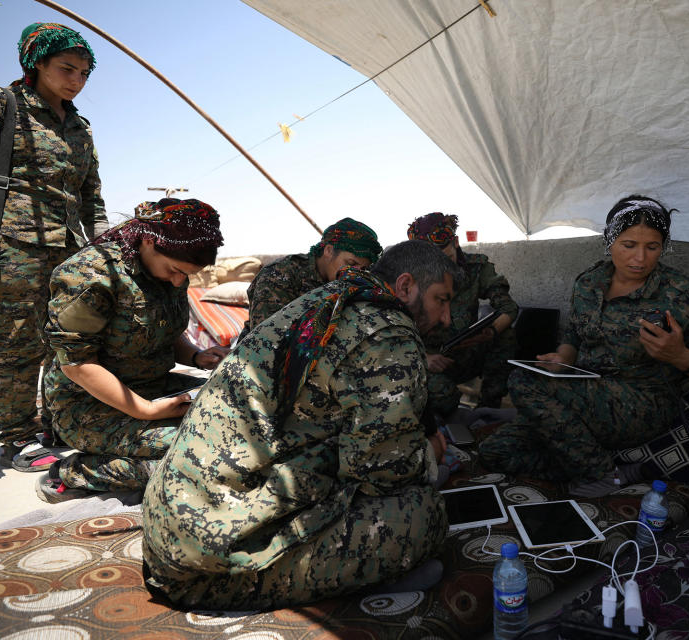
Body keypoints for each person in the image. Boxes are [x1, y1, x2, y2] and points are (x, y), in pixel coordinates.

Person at [142, 240, 463, 611]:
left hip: (175, 526)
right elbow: (384, 472)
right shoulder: (387, 330)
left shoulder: (331, 299)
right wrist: (430, 453)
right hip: (202, 564)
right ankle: (376, 577)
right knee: (424, 515)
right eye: (442, 299)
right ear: (406, 286)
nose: (446, 319)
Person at [478, 195, 689, 496]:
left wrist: (680, 356)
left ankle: (604, 474)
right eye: (629, 245)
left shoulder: (682, 293)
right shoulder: (589, 283)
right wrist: (561, 358)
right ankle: (608, 464)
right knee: (495, 452)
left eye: (652, 247)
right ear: (609, 241)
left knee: (523, 380)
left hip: (641, 407)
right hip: (583, 397)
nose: (640, 259)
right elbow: (574, 334)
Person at [0, 23, 108, 469]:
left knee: (66, 343)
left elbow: (90, 194)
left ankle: (57, 423)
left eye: (85, 73)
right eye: (67, 68)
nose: (77, 80)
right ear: (36, 64)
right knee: (16, 346)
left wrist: (105, 242)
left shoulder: (80, 127)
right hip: (10, 246)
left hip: (70, 252)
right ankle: (18, 438)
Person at [35, 198, 227, 503]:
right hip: (87, 405)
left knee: (238, 417)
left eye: (185, 275)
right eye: (175, 270)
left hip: (154, 388)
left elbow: (162, 331)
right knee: (201, 450)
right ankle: (76, 472)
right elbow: (77, 364)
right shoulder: (89, 276)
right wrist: (145, 411)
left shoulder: (169, 269)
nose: (179, 280)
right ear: (149, 241)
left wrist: (195, 355)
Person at [407, 212, 519, 413]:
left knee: (506, 335)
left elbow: (509, 308)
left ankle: (489, 410)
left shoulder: (476, 268)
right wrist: (423, 357)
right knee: (445, 400)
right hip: (429, 359)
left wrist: (491, 332)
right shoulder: (407, 277)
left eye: (446, 257)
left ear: (456, 242)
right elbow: (390, 331)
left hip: (466, 353)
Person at [237, 217, 382, 341]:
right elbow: (266, 339)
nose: (355, 273)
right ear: (329, 251)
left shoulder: (357, 283)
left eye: (362, 269)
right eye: (350, 263)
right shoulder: (280, 274)